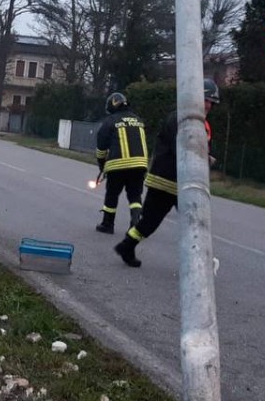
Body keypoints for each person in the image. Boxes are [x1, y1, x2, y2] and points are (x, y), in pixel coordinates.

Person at [114, 78, 220, 267]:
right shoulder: (179, 119)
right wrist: (203, 157)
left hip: (184, 183)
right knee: (155, 222)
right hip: (167, 180)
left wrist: (207, 157)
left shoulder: (201, 124)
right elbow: (183, 148)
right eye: (206, 100)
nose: (209, 105)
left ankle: (127, 245)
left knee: (193, 222)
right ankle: (127, 245)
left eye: (212, 102)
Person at [93, 92, 150, 235]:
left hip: (118, 165)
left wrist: (102, 166)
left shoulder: (110, 121)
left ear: (112, 105)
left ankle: (107, 224)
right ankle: (136, 226)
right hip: (140, 165)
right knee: (135, 196)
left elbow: (101, 148)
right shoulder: (139, 120)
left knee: (112, 194)